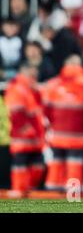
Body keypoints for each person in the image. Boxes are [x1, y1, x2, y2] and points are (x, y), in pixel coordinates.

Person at [42, 55, 83, 192]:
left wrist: (53, 123)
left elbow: (45, 109)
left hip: (57, 135)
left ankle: (53, 197)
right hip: (77, 136)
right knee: (74, 165)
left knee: (56, 164)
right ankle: (73, 197)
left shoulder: (53, 85)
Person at [4, 63, 45, 195]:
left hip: (36, 137)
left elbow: (38, 110)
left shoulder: (31, 90)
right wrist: (24, 128)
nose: (34, 78)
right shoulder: (16, 88)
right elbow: (14, 111)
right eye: (32, 75)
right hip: (22, 136)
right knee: (20, 166)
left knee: (37, 167)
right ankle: (19, 191)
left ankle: (27, 190)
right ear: (24, 73)